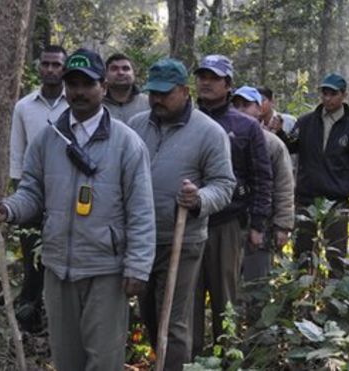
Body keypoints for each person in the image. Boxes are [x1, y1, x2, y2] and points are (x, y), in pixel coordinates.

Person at [0, 48, 156, 371]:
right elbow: (31, 193)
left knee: (104, 361)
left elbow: (141, 211)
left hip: (105, 269)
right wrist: (7, 209)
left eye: (86, 84)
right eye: (72, 84)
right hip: (58, 266)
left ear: (102, 87)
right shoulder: (48, 140)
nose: (78, 92)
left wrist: (138, 267)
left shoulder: (127, 143)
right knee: (67, 360)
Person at [128, 58, 235, 371]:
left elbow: (224, 185)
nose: (157, 100)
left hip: (183, 240)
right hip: (141, 239)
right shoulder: (135, 126)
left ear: (185, 92)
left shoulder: (208, 132)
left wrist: (199, 197)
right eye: (153, 93)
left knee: (172, 322)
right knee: (148, 315)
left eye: (165, 93)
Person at [192, 55, 272, 356]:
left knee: (226, 297)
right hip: (186, 222)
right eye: (202, 76)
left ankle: (227, 357)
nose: (206, 82)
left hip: (226, 224)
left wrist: (258, 224)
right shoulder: (187, 119)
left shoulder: (245, 127)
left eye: (213, 77)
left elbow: (262, 177)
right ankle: (192, 358)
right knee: (188, 298)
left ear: (227, 84)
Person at [274, 73, 349, 278]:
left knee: (336, 255)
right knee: (302, 254)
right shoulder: (306, 122)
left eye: (332, 94)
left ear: (344, 95)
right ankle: (301, 300)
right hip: (306, 198)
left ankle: (334, 301)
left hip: (336, 202)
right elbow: (290, 146)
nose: (327, 98)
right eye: (324, 93)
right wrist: (279, 132)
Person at [8, 44, 68, 332]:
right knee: (32, 258)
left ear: (65, 68)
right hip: (32, 193)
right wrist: (21, 198)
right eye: (46, 64)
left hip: (68, 194)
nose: (51, 70)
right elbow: (17, 156)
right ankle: (29, 315)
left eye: (57, 65)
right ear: (39, 67)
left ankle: (60, 320)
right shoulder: (24, 106)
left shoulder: (77, 103)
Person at [232, 86, 294, 280]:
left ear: (259, 109)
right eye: (237, 105)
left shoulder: (272, 144)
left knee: (256, 282)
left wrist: (282, 225)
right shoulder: (224, 137)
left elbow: (284, 186)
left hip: (262, 224)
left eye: (247, 105)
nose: (241, 110)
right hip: (231, 222)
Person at [103, 53, 150, 123]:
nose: (120, 72)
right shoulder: (97, 104)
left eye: (125, 68)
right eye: (114, 69)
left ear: (134, 73)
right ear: (105, 74)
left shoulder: (148, 103)